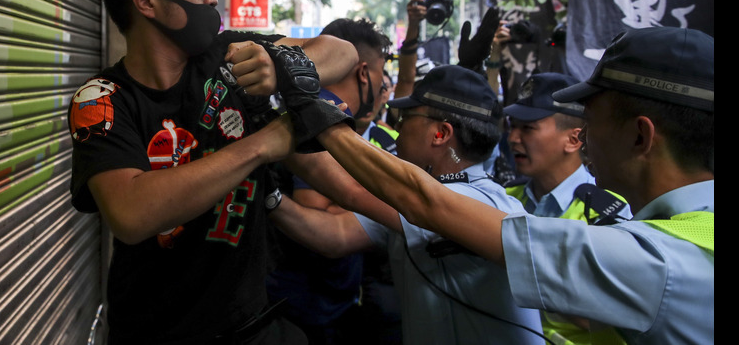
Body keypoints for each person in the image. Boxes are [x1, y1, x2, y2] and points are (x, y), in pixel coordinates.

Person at [304, 26, 714, 345]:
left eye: (591, 123)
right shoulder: (689, 238)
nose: (585, 138)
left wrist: (308, 110)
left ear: (640, 137)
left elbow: (424, 202)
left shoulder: (657, 262)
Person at [67, 0, 365, 344]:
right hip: (155, 333)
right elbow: (131, 213)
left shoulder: (226, 56)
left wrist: (280, 64)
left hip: (250, 324)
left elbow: (342, 52)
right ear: (146, 1)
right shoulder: (101, 99)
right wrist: (260, 146)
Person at [268, 64, 545, 344]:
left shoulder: (476, 201)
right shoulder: (413, 205)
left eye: (407, 117)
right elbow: (335, 235)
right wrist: (271, 197)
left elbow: (349, 189)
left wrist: (307, 119)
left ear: (440, 134)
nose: (397, 125)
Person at [266, 17, 393, 344]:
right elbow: (315, 205)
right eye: (380, 72)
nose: (382, 86)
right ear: (363, 72)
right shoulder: (322, 114)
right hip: (307, 310)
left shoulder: (312, 105)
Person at [504, 72, 632, 345]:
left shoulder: (607, 214)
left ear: (574, 139)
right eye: (512, 125)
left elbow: (621, 317)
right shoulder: (505, 199)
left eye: (528, 128)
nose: (513, 138)